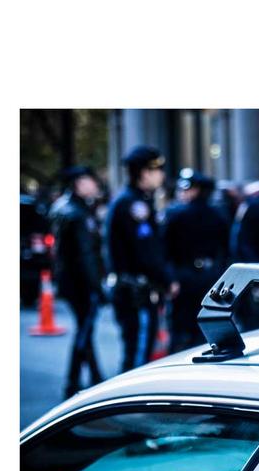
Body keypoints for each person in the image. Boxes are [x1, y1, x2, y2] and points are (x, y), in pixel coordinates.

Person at [106, 146, 178, 372]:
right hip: (135, 291)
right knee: (137, 357)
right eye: (157, 170)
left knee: (139, 351)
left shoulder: (136, 200)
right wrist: (168, 281)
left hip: (136, 289)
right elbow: (146, 252)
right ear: (144, 173)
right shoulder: (133, 205)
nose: (161, 175)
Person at [50, 166, 105, 398]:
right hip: (81, 284)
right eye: (90, 181)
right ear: (79, 184)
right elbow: (85, 256)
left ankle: (94, 377)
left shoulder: (66, 208)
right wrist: (97, 287)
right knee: (84, 330)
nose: (94, 185)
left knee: (85, 329)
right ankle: (72, 383)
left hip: (71, 281)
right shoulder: (76, 212)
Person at [163, 168, 230, 352]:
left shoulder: (175, 215)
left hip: (188, 276)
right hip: (205, 276)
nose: (183, 194)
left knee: (183, 330)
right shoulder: (217, 213)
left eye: (187, 190)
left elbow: (165, 250)